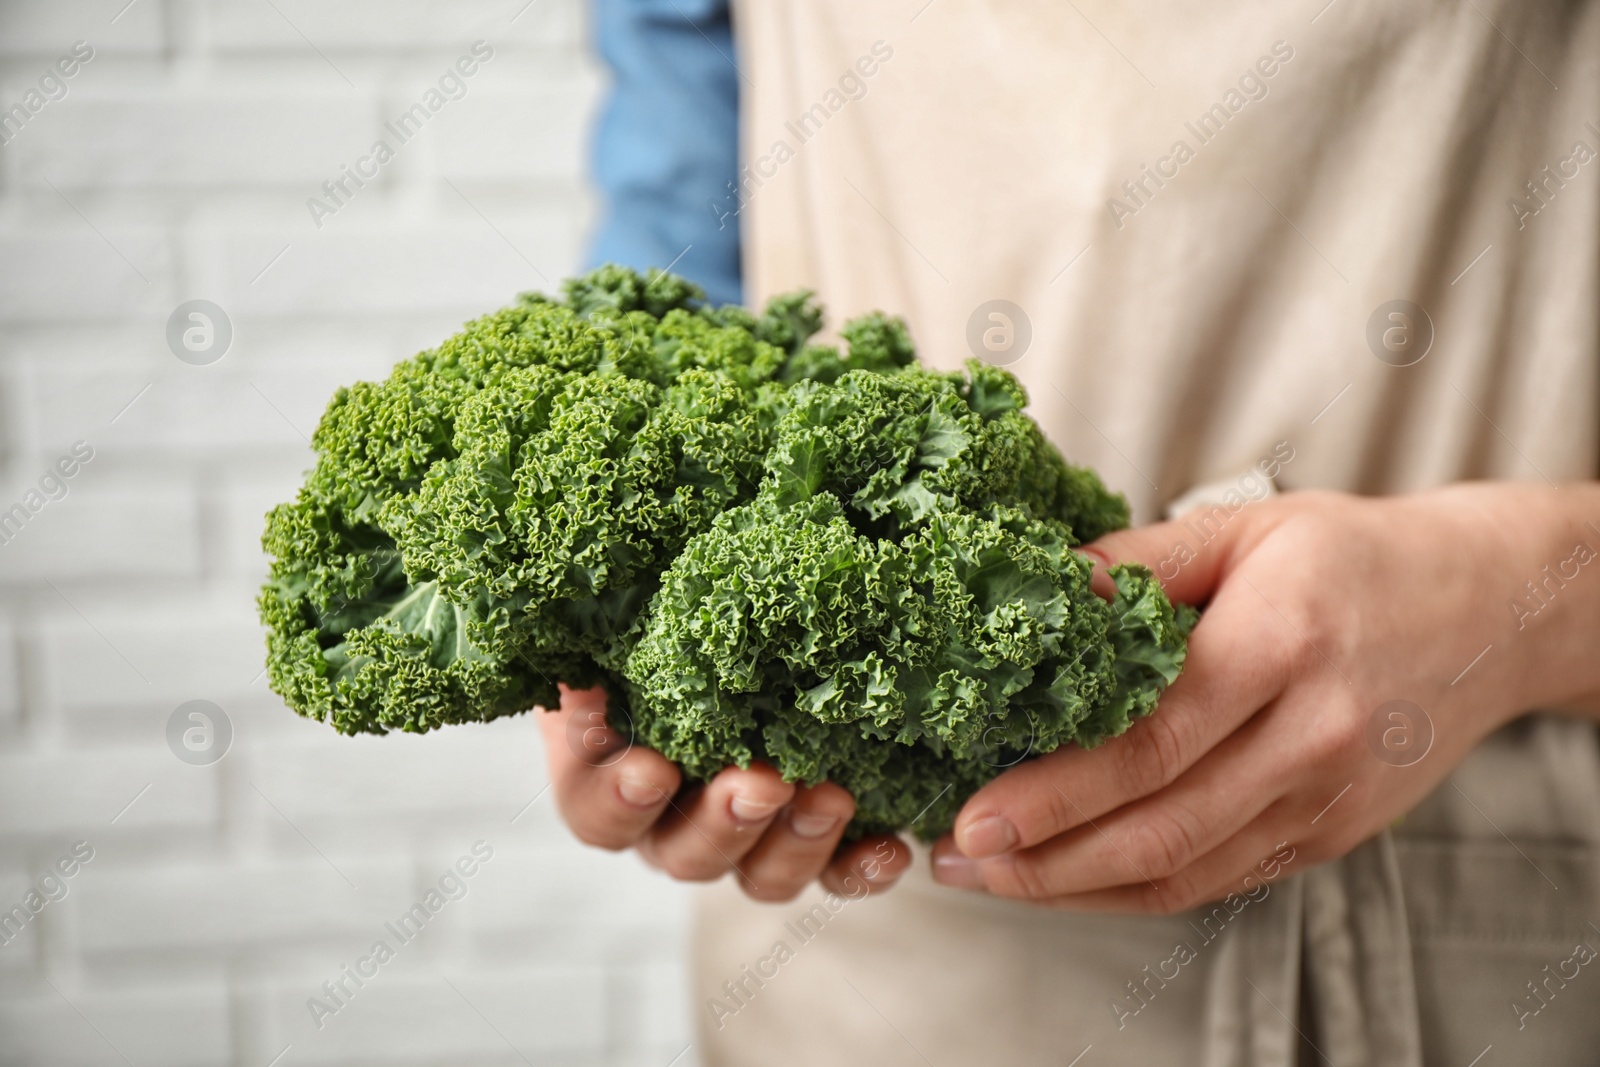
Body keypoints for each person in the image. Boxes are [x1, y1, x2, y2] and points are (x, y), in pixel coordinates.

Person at [544, 1, 1600, 1063]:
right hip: (892, 958)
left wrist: (1522, 600)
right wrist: (600, 624)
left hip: (1485, 922)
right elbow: (677, 263)